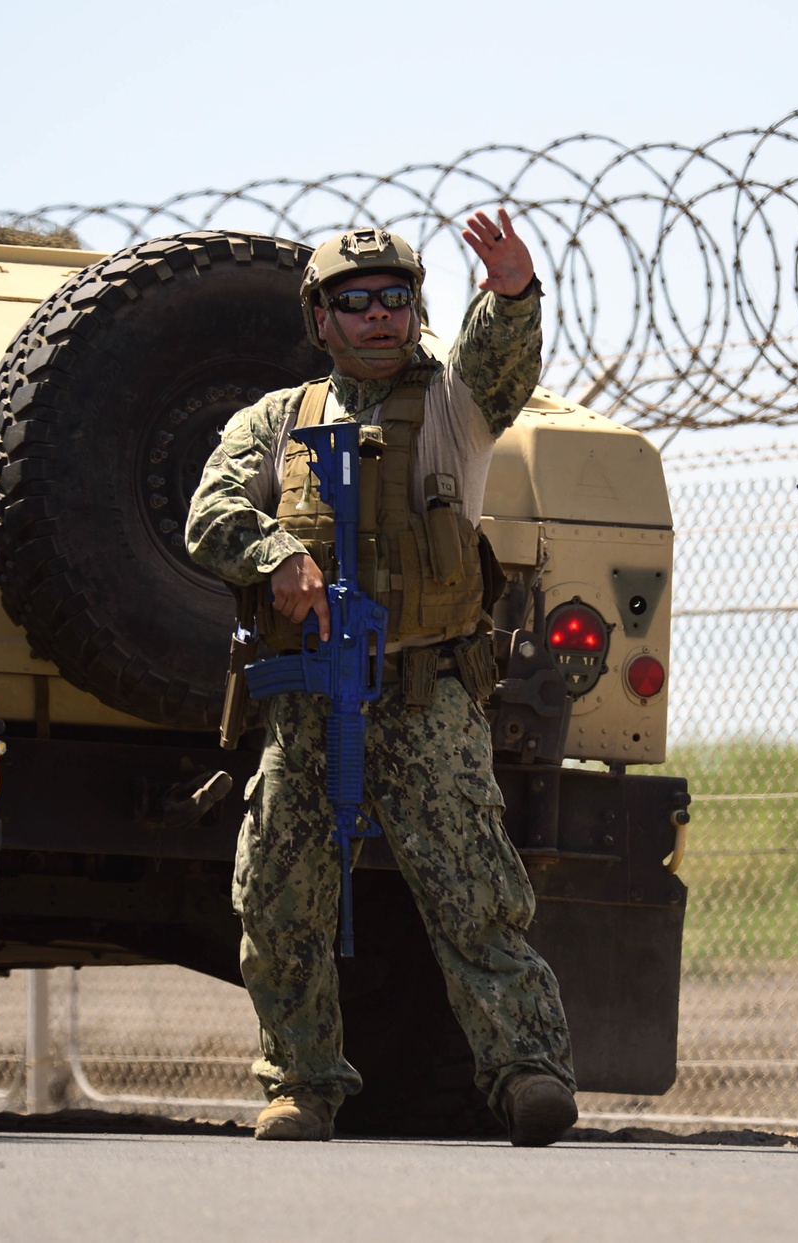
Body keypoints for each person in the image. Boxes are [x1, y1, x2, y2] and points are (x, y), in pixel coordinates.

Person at [186, 209, 577, 1146]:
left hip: (424, 687)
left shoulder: (455, 403)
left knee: (474, 889)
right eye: (352, 303)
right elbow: (210, 511)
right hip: (314, 690)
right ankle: (303, 1083)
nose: (376, 318)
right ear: (320, 321)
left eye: (393, 299)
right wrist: (277, 554)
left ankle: (527, 1071)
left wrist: (514, 294)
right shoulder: (277, 421)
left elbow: (501, 362)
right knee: (280, 890)